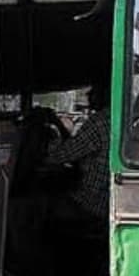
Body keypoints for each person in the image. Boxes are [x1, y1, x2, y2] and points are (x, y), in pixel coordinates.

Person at [46, 83, 111, 219]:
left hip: (90, 203)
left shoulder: (99, 122)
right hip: (106, 200)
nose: (88, 95)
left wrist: (55, 129)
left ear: (104, 94)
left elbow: (61, 155)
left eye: (93, 91)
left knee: (37, 206)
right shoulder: (117, 118)